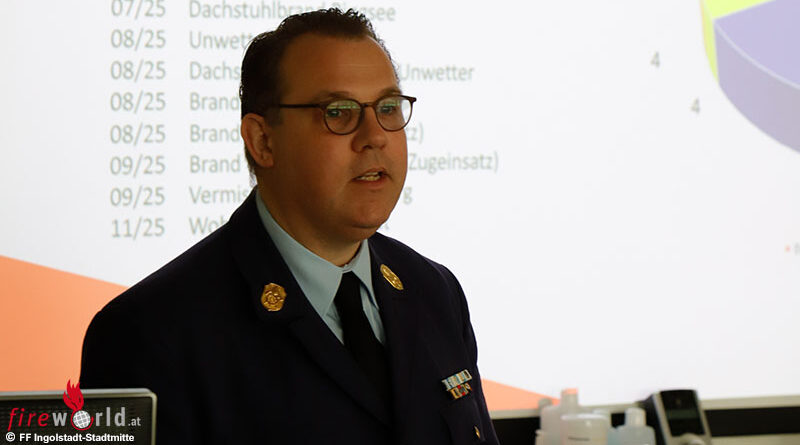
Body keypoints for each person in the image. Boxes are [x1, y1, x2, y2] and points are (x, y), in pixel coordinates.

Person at [81, 8, 498, 444]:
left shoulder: (434, 292)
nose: (375, 136)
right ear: (262, 140)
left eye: (388, 108)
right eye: (339, 112)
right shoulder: (149, 334)